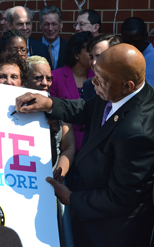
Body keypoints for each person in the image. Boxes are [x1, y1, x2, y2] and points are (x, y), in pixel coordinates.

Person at [15, 43, 154, 247]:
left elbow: (121, 198)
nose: (93, 82)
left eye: (101, 80)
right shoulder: (115, 89)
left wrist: (72, 199)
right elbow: (86, 109)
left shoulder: (137, 133)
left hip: (111, 233)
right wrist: (50, 103)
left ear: (128, 86)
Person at [26, 56, 75, 247]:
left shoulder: (58, 107)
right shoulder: (12, 106)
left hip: (52, 186)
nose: (45, 83)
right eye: (38, 77)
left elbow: (68, 147)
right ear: (26, 77)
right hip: (20, 182)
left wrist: (59, 174)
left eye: (49, 78)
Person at [50, 31, 94, 154]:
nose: (93, 54)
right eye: (89, 51)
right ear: (76, 54)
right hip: (65, 148)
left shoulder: (97, 78)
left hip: (91, 149)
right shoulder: (55, 77)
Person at [84, 34, 121, 101]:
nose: (94, 62)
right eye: (91, 57)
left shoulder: (126, 85)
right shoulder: (89, 85)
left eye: (100, 56)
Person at [121, 17, 154, 88]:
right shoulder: (118, 58)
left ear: (145, 36)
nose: (132, 46)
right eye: (128, 42)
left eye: (136, 42)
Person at [39, 5, 67, 69]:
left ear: (61, 24)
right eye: (46, 24)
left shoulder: (69, 47)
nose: (50, 28)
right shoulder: (33, 47)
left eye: (54, 24)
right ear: (40, 25)